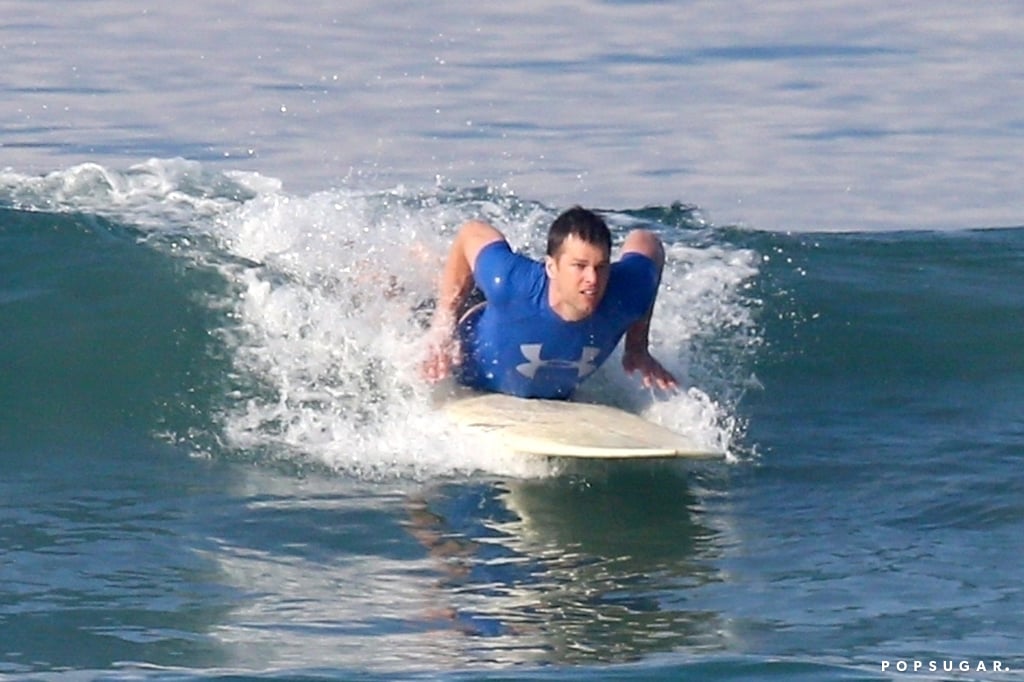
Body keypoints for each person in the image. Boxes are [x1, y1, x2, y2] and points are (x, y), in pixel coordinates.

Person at [421, 206, 678, 399]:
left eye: (601, 267)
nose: (592, 279)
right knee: (408, 299)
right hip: (472, 335)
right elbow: (471, 233)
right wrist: (442, 327)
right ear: (551, 267)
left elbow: (648, 242)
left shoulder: (627, 292)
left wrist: (637, 347)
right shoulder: (511, 281)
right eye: (579, 266)